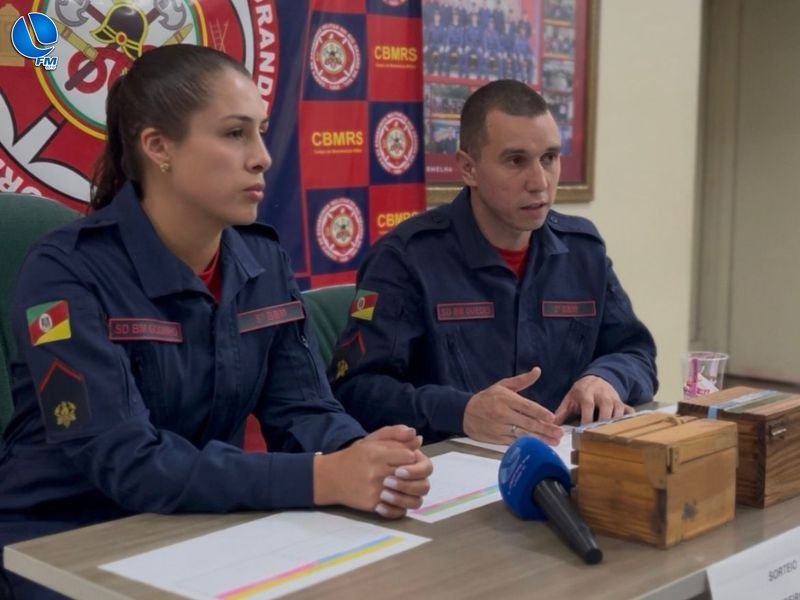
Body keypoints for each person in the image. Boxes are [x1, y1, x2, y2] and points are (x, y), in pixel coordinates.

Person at [0, 45, 431, 599]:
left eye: (261, 132)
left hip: (199, 529)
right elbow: (126, 461)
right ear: (159, 147)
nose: (262, 157)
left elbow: (302, 408)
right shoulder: (64, 270)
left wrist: (369, 461)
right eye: (234, 134)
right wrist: (324, 478)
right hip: (60, 540)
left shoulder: (262, 260)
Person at [330, 80, 658, 445]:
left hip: (566, 464)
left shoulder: (583, 251)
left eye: (549, 158)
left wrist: (607, 377)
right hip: (449, 475)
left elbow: (635, 352)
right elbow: (353, 392)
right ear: (468, 168)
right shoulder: (406, 258)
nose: (540, 182)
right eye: (516, 161)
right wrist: (461, 412)